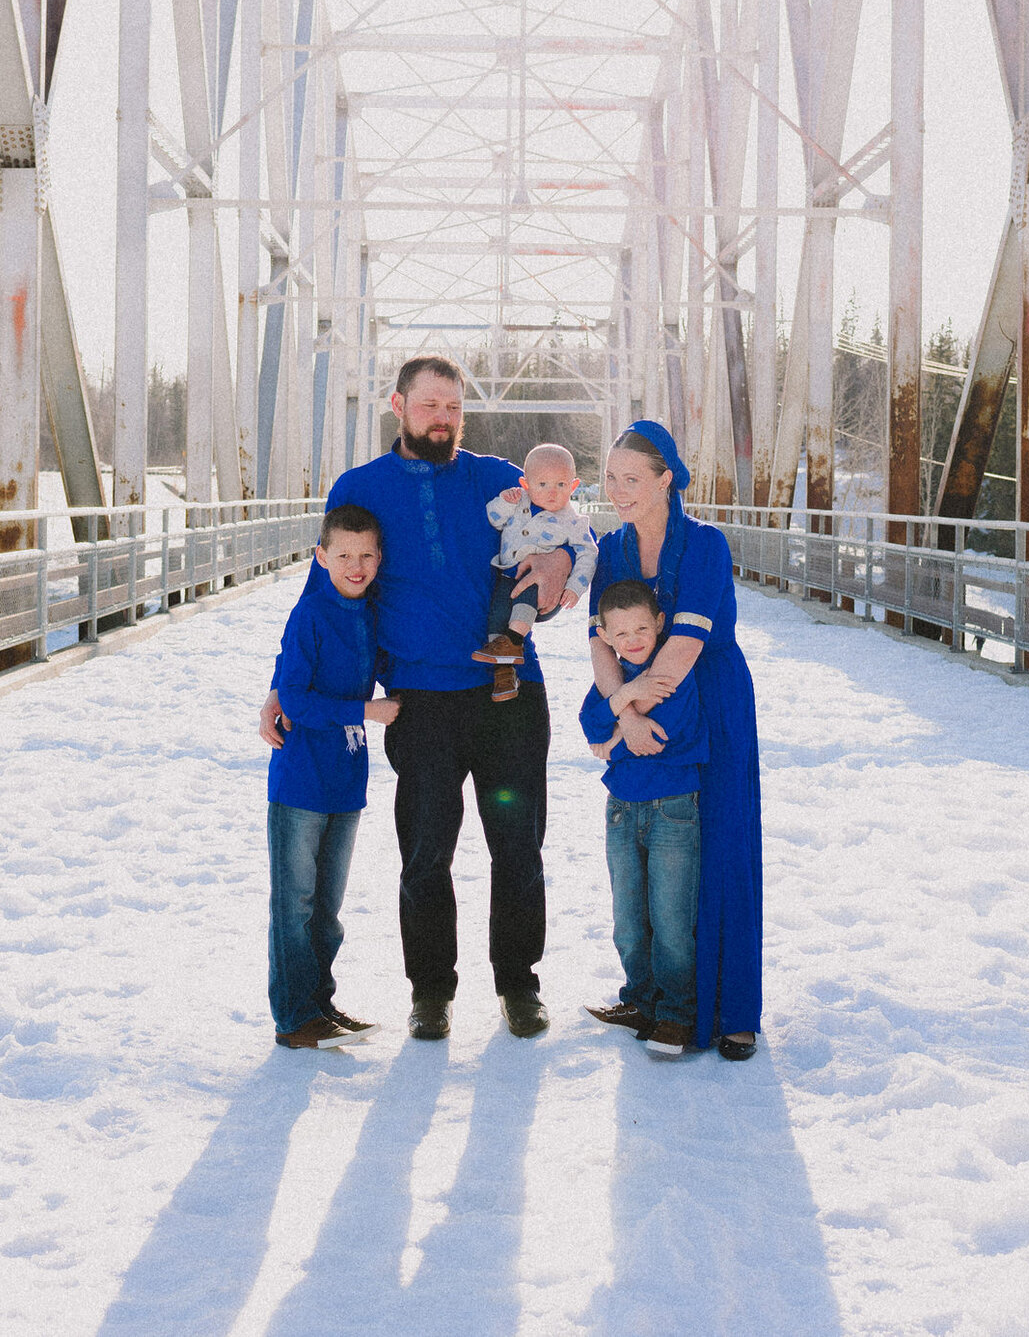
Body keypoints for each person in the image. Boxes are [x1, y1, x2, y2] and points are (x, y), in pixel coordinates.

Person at [258, 356, 576, 1044]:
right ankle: (431, 991)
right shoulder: (360, 488)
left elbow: (570, 529)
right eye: (431, 404)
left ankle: (519, 983)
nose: (444, 418)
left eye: (454, 407)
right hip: (419, 702)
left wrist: (562, 563)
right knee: (425, 851)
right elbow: (328, 595)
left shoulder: (500, 481)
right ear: (397, 405)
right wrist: (283, 684)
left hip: (510, 693)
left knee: (517, 845)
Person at [589, 420, 764, 1060]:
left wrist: (629, 707)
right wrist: (619, 711)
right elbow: (598, 642)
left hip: (710, 701)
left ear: (666, 481)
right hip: (635, 701)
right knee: (652, 868)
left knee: (721, 845)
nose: (616, 490)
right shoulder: (611, 549)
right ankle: (649, 998)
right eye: (609, 478)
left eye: (631, 479)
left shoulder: (707, 546)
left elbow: (683, 651)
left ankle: (732, 1011)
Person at [265, 505, 403, 1050]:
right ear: (321, 558)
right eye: (343, 554)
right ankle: (294, 1018)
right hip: (301, 781)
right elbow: (293, 696)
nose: (356, 565)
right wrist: (365, 711)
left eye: (367, 555)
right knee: (294, 903)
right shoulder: (311, 614)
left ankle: (320, 1005)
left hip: (345, 781)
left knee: (327, 907)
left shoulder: (370, 613)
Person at [579, 580, 707, 1057]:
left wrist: (614, 733)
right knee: (628, 918)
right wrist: (623, 700)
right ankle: (639, 999)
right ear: (606, 637)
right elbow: (587, 725)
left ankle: (675, 1015)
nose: (633, 639)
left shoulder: (672, 673)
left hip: (673, 808)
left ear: (658, 624)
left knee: (671, 917)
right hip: (621, 810)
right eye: (621, 632)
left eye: (641, 628)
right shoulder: (614, 678)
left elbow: (654, 735)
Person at [471, 442, 598, 703]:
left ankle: (515, 639)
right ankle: (503, 672)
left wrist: (575, 586)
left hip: (539, 584)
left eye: (561, 485)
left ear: (573, 486)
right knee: (496, 616)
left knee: (527, 596)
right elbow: (493, 518)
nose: (552, 493)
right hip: (507, 573)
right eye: (542, 485)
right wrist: (505, 503)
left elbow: (589, 552)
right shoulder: (519, 503)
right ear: (526, 483)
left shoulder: (573, 521)